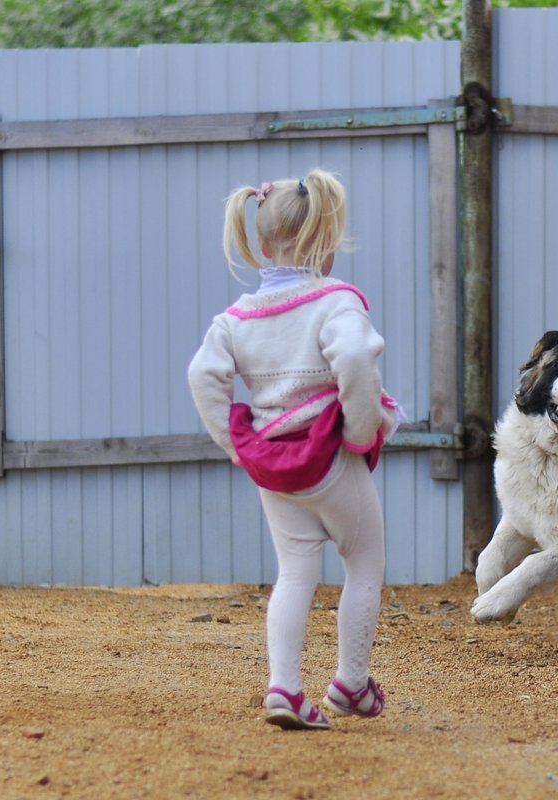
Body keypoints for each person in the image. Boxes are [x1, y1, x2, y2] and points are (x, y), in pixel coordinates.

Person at [188, 169, 402, 731]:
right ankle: (352, 682)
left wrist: (234, 445)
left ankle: (284, 686)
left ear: (260, 245)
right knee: (364, 563)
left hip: (274, 468)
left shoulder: (236, 320)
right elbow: (355, 361)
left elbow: (201, 376)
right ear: (327, 246)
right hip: (330, 459)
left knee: (294, 573)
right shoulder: (335, 303)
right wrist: (360, 433)